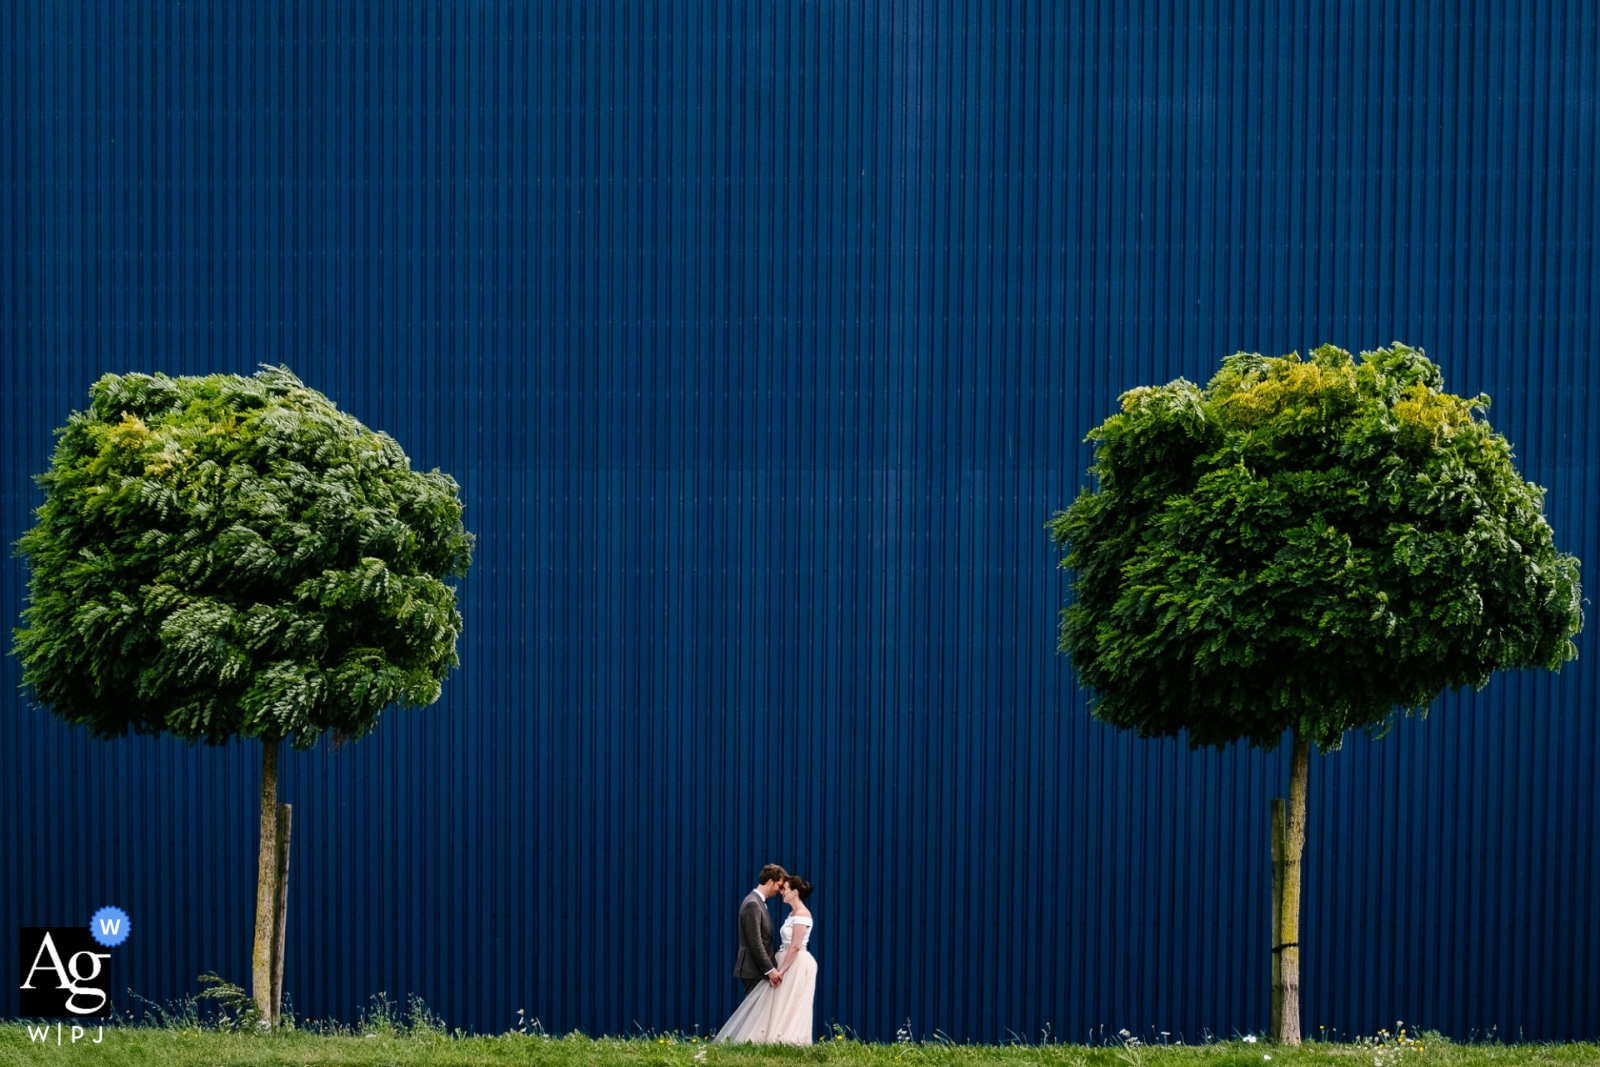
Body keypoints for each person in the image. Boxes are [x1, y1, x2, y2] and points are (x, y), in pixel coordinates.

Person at [715, 874, 816, 1045]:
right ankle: (771, 1039)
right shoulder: (792, 913)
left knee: (791, 1001)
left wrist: (781, 971)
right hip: (784, 960)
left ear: (795, 892)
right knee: (779, 1001)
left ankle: (789, 1040)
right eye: (781, 887)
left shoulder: (802, 914)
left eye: (785, 889)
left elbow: (795, 946)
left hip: (795, 963)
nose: (781, 891)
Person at [732, 863, 787, 995]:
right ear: (769, 882)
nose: (780, 891)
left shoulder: (756, 902)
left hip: (757, 969)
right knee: (754, 1014)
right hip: (754, 970)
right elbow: (755, 941)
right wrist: (770, 970)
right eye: (779, 886)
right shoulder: (753, 904)